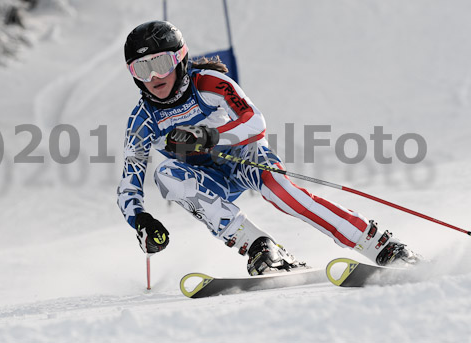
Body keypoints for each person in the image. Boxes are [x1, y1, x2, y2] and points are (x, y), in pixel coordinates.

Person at [117, 20, 418, 276]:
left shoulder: (209, 82)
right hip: (206, 179)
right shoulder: (142, 120)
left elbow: (254, 122)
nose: (154, 77)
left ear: (180, 59)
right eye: (141, 69)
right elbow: (129, 184)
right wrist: (140, 220)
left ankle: (377, 243)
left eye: (160, 64)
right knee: (166, 173)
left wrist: (208, 136)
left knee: (282, 193)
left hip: (243, 158)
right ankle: (260, 247)